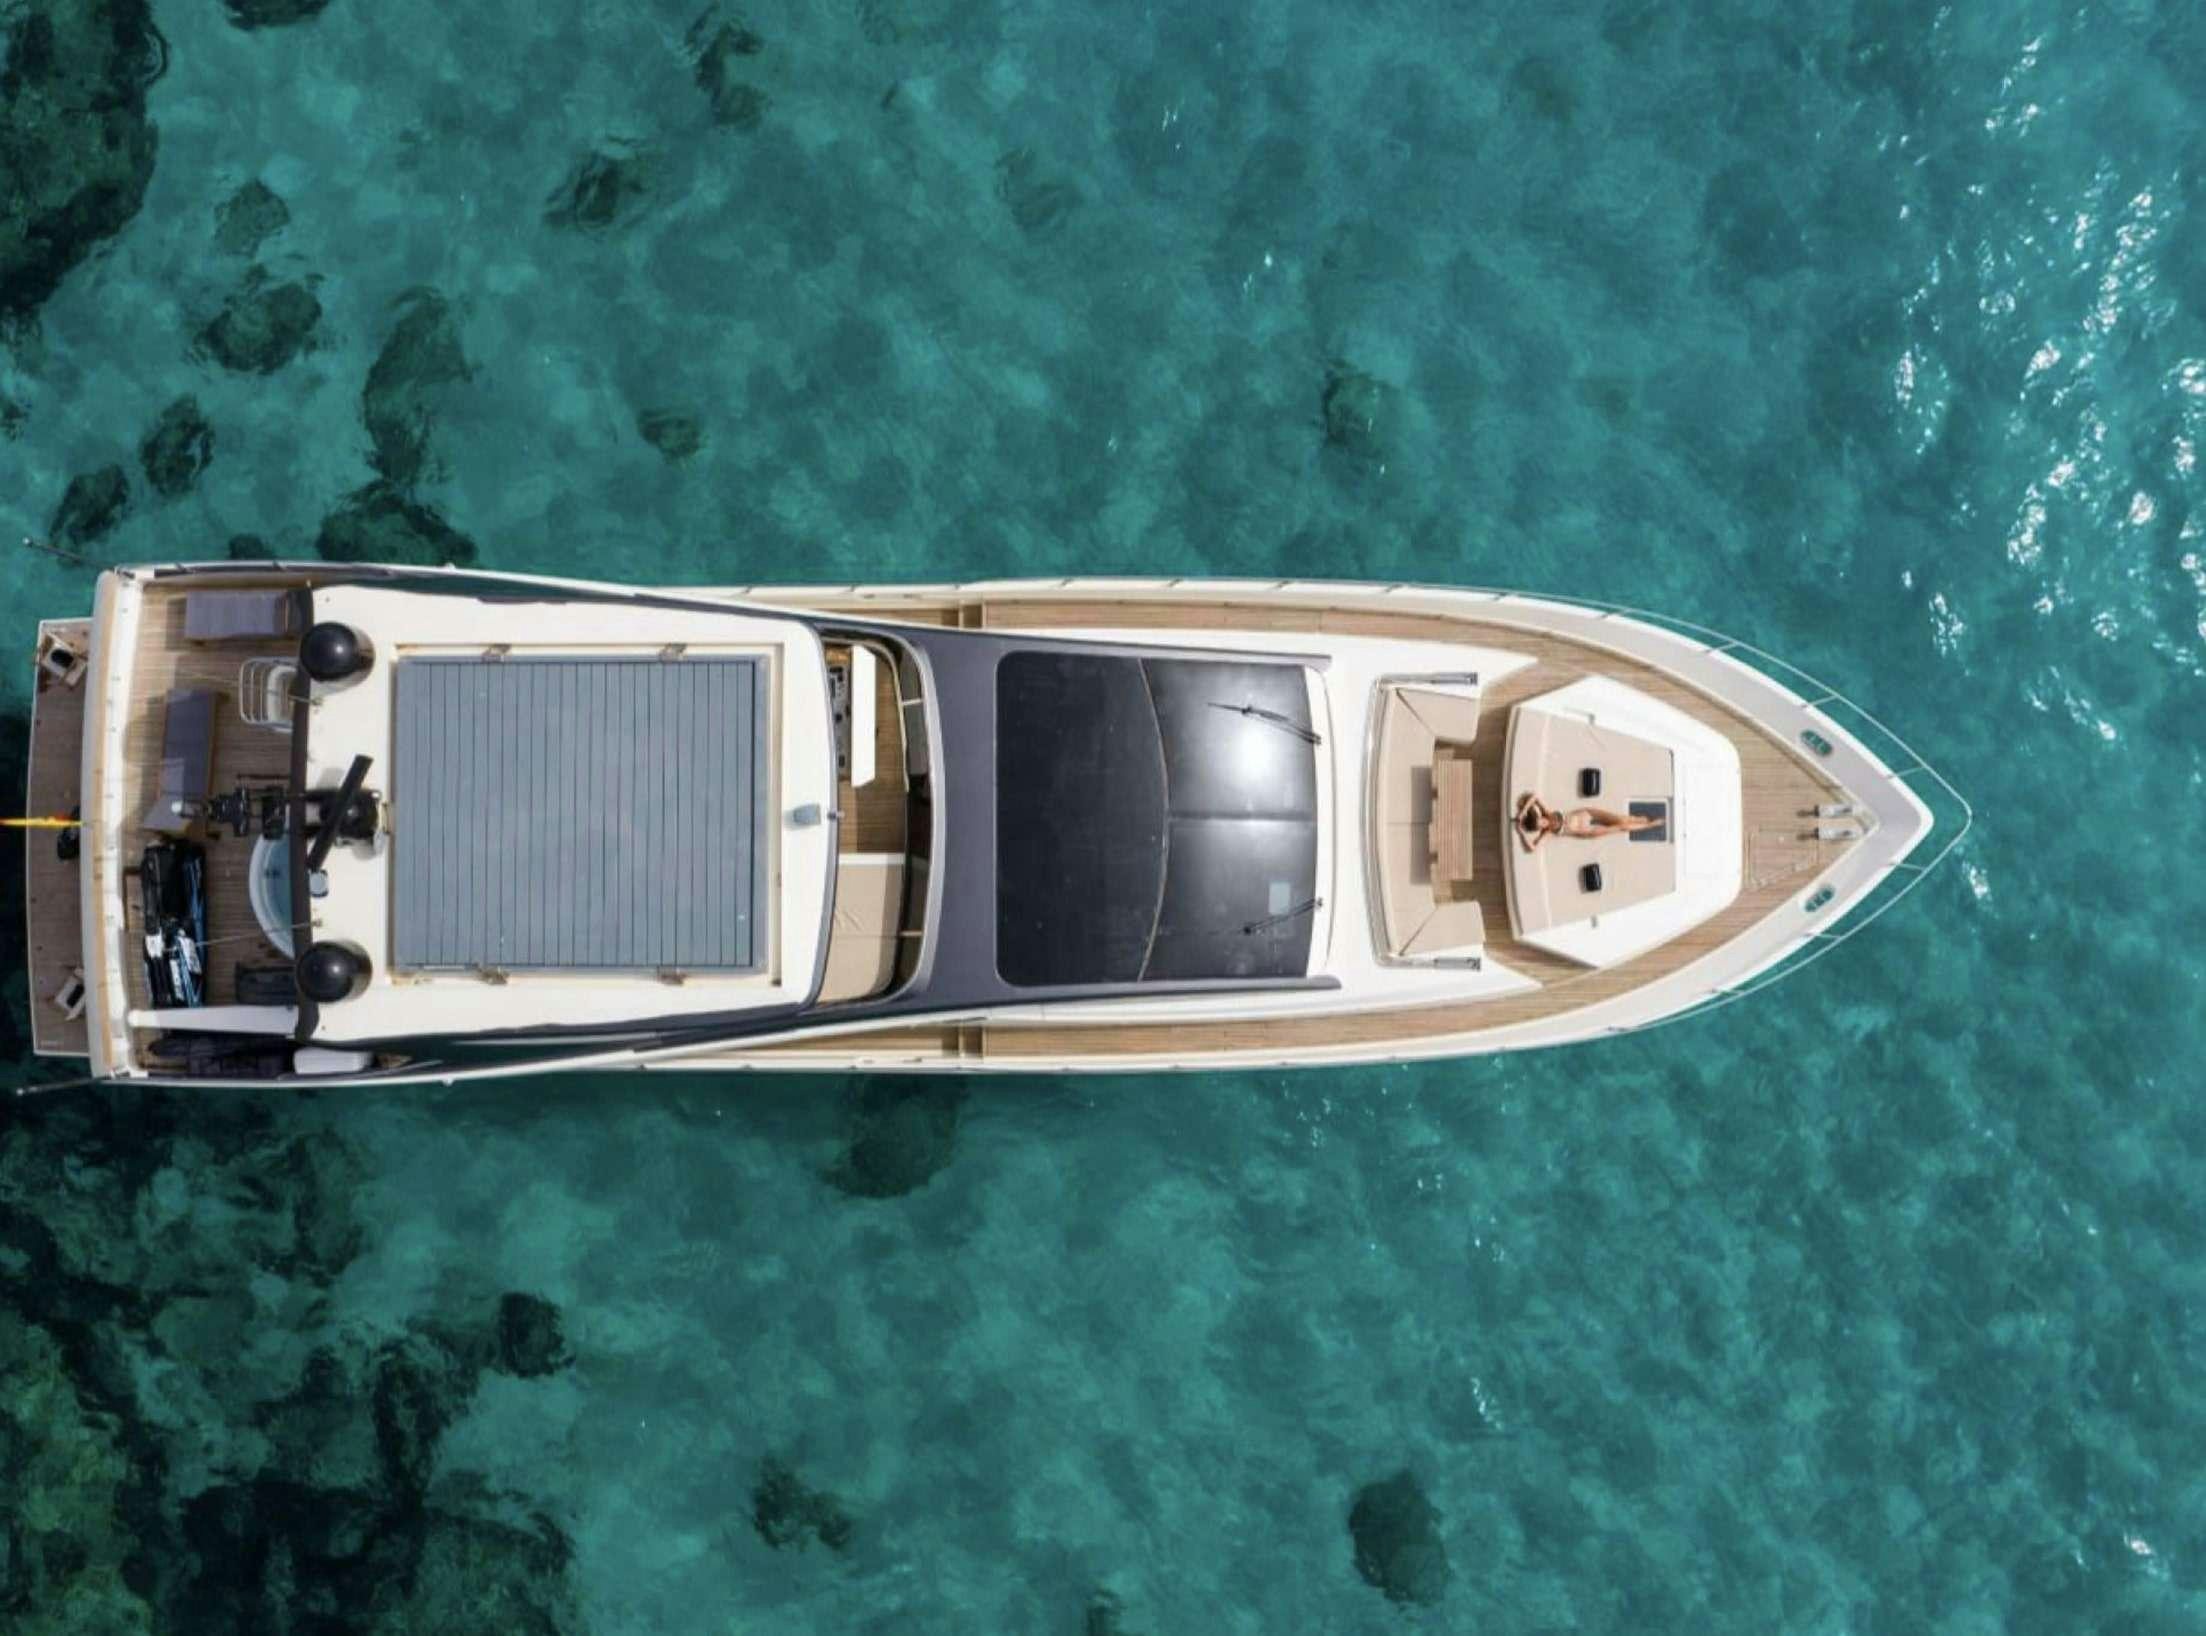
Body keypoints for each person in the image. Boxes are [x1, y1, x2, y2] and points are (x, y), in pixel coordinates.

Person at [1515, 793, 1659, 852]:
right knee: (1620, 827)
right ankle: (1649, 825)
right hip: (1586, 831)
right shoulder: (1547, 832)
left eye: (1540, 821)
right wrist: (1522, 833)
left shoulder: (1546, 811)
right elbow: (1532, 848)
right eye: (1540, 826)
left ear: (1539, 817)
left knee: (1620, 819)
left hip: (1586, 813)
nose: (1543, 824)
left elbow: (1533, 797)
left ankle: (1642, 819)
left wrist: (1523, 811)